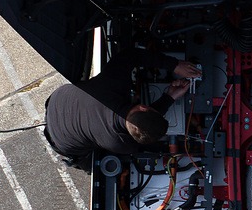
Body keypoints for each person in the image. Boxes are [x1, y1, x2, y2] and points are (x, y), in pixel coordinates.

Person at [43, 57, 203, 170]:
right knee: (94, 165)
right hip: (60, 140)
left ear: (143, 107)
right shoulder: (117, 143)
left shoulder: (113, 85)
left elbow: (128, 55)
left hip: (58, 100)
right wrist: (168, 98)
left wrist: (175, 65)